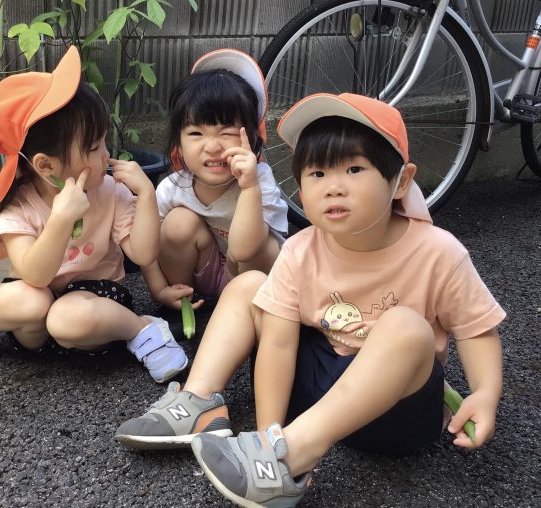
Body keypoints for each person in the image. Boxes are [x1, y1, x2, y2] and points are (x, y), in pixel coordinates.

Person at [115, 93, 505, 507]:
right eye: (317, 173)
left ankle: (291, 457)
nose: (333, 187)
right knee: (250, 287)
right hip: (314, 390)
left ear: (402, 181)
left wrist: (486, 393)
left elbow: (476, 329)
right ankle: (202, 403)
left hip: (394, 410)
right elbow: (279, 343)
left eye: (354, 169)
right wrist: (268, 429)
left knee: (406, 327)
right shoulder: (301, 250)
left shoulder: (438, 252)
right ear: (299, 187)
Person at [0, 46, 188, 384]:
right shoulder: (19, 205)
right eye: (94, 147)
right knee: (28, 300)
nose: (106, 154)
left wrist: (147, 195)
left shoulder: (110, 191)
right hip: (34, 321)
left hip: (94, 308)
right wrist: (62, 219)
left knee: (68, 318)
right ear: (46, 166)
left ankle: (141, 329)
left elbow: (143, 253)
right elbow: (35, 275)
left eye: (104, 142)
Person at [142, 49, 289, 311]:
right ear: (178, 143)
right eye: (196, 134)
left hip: (251, 278)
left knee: (266, 246)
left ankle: (241, 312)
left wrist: (249, 188)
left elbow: (243, 252)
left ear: (252, 138)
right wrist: (159, 290)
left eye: (227, 132)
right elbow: (145, 243)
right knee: (176, 224)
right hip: (205, 270)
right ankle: (185, 301)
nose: (212, 147)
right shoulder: (174, 187)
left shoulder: (260, 181)